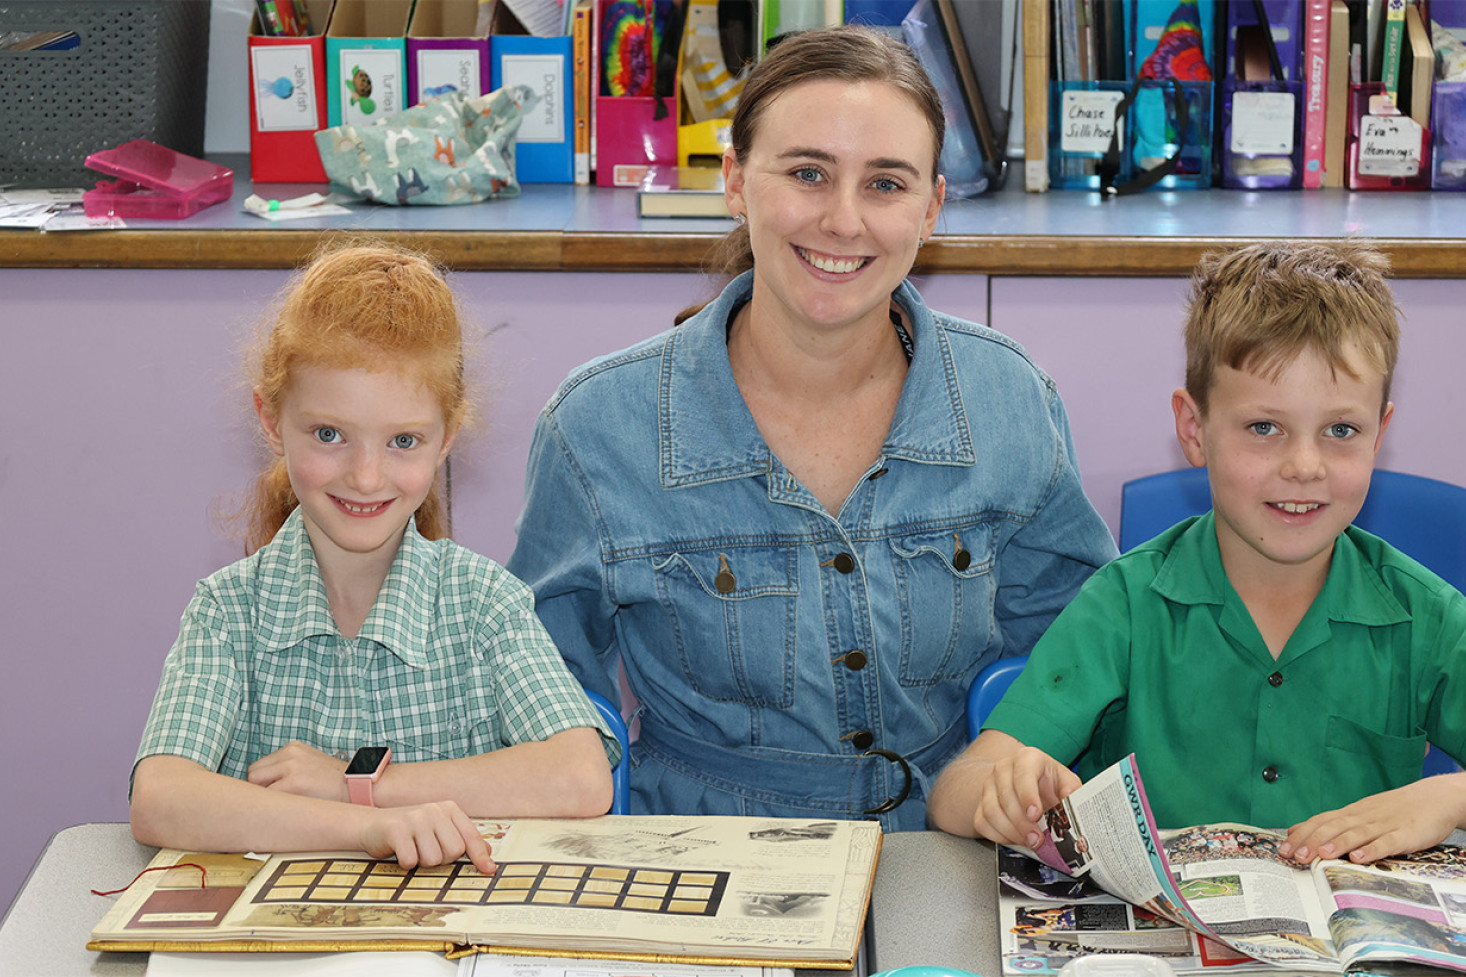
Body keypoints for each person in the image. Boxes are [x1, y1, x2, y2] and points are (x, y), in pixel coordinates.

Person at [507, 25, 1117, 829]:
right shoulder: (597, 427)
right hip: (705, 851)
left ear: (932, 206)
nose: (842, 220)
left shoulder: (1009, 398)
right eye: (807, 173)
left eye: (886, 184)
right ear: (734, 181)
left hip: (949, 842)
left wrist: (1022, 776)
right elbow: (541, 691)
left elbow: (1078, 656)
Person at [928, 240, 1466, 864]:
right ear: (1194, 429)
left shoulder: (1425, 617)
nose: (1305, 466)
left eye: (1341, 431)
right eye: (1264, 427)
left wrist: (1447, 799)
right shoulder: (1125, 604)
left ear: (1380, 435)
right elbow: (953, 793)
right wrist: (1003, 788)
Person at [131, 244, 617, 872]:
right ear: (271, 419)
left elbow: (579, 777)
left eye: (403, 441)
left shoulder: (483, 603)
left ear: (448, 435)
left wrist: (355, 783)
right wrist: (367, 827)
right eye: (328, 434)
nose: (365, 476)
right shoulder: (229, 612)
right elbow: (161, 797)